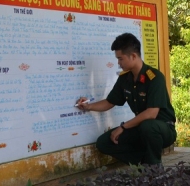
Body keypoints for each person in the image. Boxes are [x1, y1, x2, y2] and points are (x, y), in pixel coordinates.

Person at [76, 33, 177, 166]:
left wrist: (123, 127)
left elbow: (151, 114)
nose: (118, 63)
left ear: (133, 56)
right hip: (141, 129)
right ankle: (143, 162)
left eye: (120, 59)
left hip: (163, 129)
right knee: (104, 143)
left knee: (148, 125)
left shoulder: (154, 77)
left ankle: (155, 168)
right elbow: (109, 102)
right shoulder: (125, 79)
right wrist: (88, 106)